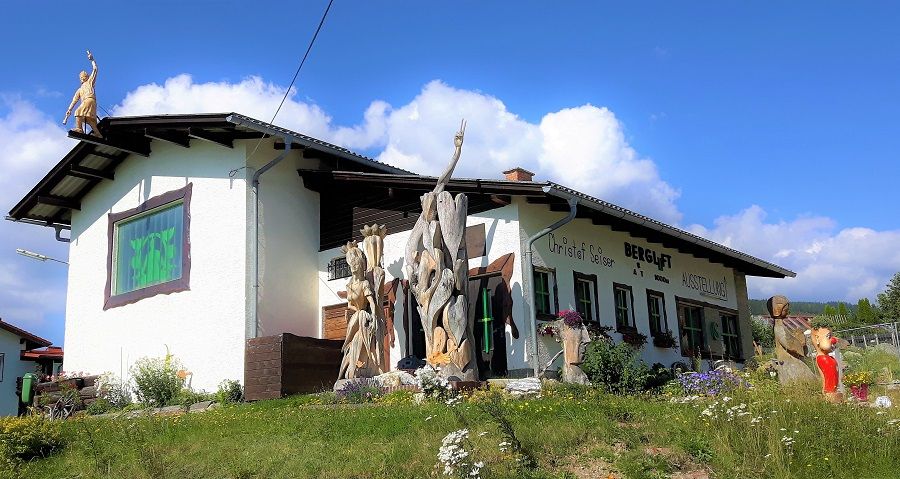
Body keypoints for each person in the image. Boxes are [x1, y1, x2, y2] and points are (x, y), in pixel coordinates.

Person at [63, 50, 100, 136]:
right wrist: (69, 109)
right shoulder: (79, 90)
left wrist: (92, 60)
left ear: (87, 77)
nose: (82, 78)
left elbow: (95, 69)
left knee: (78, 112)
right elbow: (74, 101)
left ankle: (80, 129)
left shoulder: (90, 82)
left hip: (89, 100)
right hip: (88, 102)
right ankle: (98, 134)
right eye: (81, 77)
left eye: (84, 76)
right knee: (90, 121)